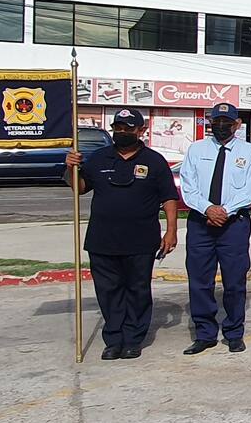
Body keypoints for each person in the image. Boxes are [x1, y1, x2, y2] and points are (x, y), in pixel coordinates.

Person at [65, 108, 178, 360]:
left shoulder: (154, 161)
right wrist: (71, 169)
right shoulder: (98, 158)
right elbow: (81, 188)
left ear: (141, 131)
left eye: (129, 128)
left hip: (140, 240)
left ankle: (133, 339)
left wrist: (171, 231)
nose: (123, 132)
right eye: (118, 127)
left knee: (137, 290)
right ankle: (113, 339)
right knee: (108, 292)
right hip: (103, 239)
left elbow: (169, 198)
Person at [177, 103, 251, 356]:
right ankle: (205, 334)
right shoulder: (196, 149)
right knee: (200, 281)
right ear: (210, 122)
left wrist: (224, 211)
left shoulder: (249, 152)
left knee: (234, 281)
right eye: (217, 120)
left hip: (233, 224)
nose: (221, 125)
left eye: (227, 121)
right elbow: (188, 186)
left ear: (237, 125)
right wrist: (208, 209)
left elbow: (250, 191)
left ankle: (234, 333)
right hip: (201, 223)